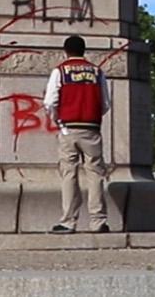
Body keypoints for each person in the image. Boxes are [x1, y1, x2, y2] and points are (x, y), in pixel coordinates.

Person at [42, 34, 113, 233]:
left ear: (66, 51)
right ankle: (98, 221)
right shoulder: (97, 72)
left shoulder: (60, 71)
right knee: (95, 174)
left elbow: (49, 101)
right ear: (84, 50)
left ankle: (68, 221)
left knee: (69, 174)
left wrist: (59, 120)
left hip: (68, 128)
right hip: (91, 128)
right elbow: (106, 104)